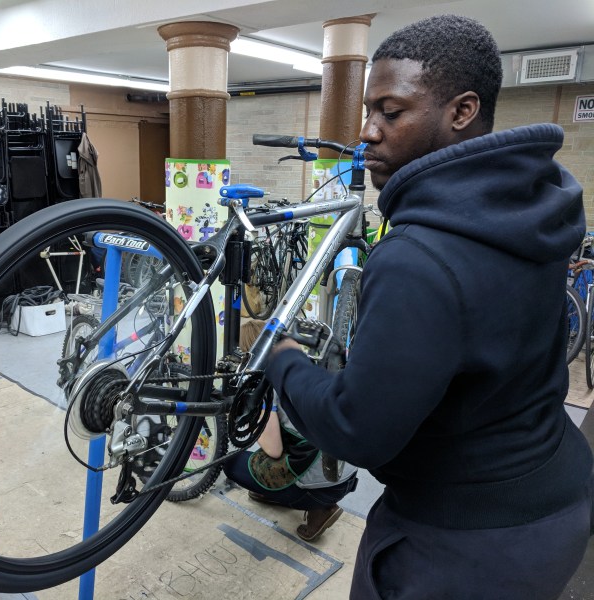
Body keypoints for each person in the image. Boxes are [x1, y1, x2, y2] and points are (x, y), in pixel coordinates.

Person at [265, 14, 593, 599]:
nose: (368, 131)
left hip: (463, 542)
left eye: (390, 112)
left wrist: (282, 358)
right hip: (552, 499)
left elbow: (354, 429)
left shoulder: (419, 256)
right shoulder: (533, 210)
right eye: (368, 112)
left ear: (461, 112)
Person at [222, 319, 358, 542]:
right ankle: (295, 497)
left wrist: (240, 415)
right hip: (346, 475)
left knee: (231, 463)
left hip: (322, 487)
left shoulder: (260, 384)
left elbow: (273, 449)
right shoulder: (305, 366)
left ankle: (318, 508)